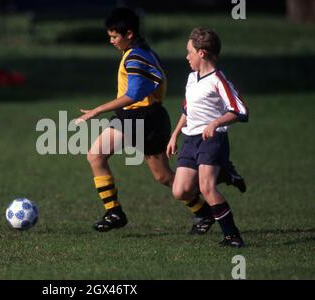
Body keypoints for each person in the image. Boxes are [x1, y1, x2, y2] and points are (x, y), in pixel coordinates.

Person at [76, 7, 244, 234]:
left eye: (115, 36)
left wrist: (97, 110)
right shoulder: (141, 51)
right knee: (164, 176)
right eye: (110, 37)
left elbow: (134, 94)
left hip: (141, 117)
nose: (112, 41)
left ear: (129, 34)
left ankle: (115, 212)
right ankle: (204, 210)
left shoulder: (136, 56)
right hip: (145, 117)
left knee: (95, 155)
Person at [166, 27, 249, 248]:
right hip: (190, 139)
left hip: (213, 139)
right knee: (180, 190)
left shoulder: (218, 80)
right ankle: (226, 172)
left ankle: (233, 237)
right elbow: (187, 110)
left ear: (201, 53)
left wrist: (215, 123)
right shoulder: (192, 78)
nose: (187, 57)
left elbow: (240, 111)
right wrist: (174, 135)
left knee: (206, 188)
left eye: (189, 52)